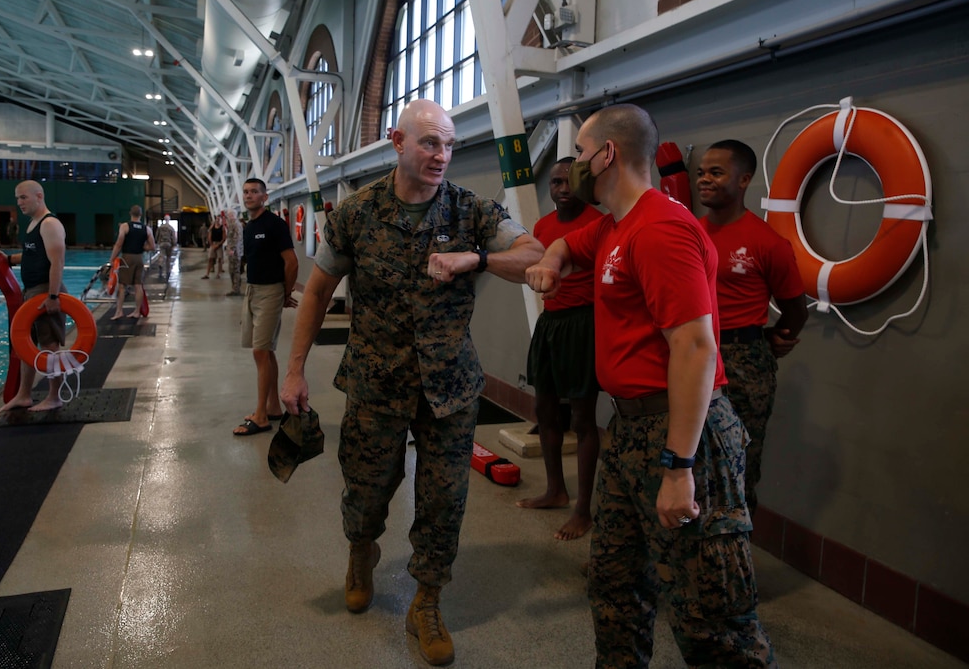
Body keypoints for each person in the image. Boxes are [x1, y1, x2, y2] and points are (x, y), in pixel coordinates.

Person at [280, 99, 543, 667]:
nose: (441, 155)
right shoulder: (357, 212)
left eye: (448, 145)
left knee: (444, 499)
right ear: (399, 142)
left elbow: (533, 256)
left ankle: (427, 599)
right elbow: (319, 291)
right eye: (429, 143)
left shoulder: (470, 211)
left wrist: (473, 259)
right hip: (376, 384)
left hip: (450, 389)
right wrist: (296, 368)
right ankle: (361, 548)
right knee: (368, 487)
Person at [525, 104, 776, 668]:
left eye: (581, 155)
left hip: (684, 435)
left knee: (713, 621)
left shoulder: (661, 229)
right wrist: (551, 256)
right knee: (615, 589)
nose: (573, 168)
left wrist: (679, 468)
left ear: (606, 155)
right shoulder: (617, 223)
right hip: (631, 429)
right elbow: (571, 245)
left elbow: (695, 348)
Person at [696, 140, 808, 514]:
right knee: (686, 458)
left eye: (716, 172)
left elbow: (796, 308)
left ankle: (735, 564)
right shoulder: (689, 233)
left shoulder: (767, 243)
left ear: (744, 180)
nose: (704, 180)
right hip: (693, 355)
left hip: (744, 362)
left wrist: (777, 338)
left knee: (738, 463)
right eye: (700, 173)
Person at [517, 157, 603, 541]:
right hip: (550, 322)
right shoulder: (543, 227)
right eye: (554, 183)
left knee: (583, 418)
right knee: (545, 409)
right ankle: (555, 490)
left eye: (568, 182)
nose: (561, 189)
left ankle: (583, 510)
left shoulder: (599, 223)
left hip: (586, 323)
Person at [233, 178, 298, 436]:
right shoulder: (249, 227)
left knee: (260, 352)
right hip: (252, 291)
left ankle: (260, 416)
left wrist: (284, 292)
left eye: (254, 192)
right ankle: (272, 407)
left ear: (265, 197)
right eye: (246, 191)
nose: (249, 195)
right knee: (265, 352)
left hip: (269, 292)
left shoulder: (275, 225)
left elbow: (291, 262)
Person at [1, 180, 68, 412]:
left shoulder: (49, 224)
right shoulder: (33, 224)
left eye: (23, 198)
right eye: (17, 198)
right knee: (24, 343)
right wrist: (8, 260)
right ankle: (24, 394)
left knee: (49, 345)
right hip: (31, 291)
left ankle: (55, 396)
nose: (19, 202)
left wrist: (52, 295)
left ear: (39, 196)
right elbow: (34, 255)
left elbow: (57, 262)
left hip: (45, 290)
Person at [109, 205, 155, 320]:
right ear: (140, 215)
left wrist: (112, 259)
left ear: (130, 213)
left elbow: (119, 244)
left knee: (122, 285)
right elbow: (152, 246)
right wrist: (142, 247)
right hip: (139, 258)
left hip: (127, 258)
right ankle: (136, 312)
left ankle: (119, 311)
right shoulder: (146, 229)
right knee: (138, 285)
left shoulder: (125, 226)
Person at [223, 209, 244, 296]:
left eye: (228, 215)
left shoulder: (236, 225)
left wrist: (232, 249)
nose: (228, 217)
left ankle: (236, 289)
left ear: (232, 215)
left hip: (235, 252)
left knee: (235, 270)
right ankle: (235, 288)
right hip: (232, 251)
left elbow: (237, 238)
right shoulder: (232, 224)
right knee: (232, 270)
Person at [155, 215, 177, 280]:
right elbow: (173, 237)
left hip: (161, 243)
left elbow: (156, 236)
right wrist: (174, 244)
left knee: (161, 255)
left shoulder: (160, 227)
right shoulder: (171, 228)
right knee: (168, 257)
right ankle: (168, 271)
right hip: (169, 244)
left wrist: (157, 242)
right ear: (169, 219)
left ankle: (160, 265)